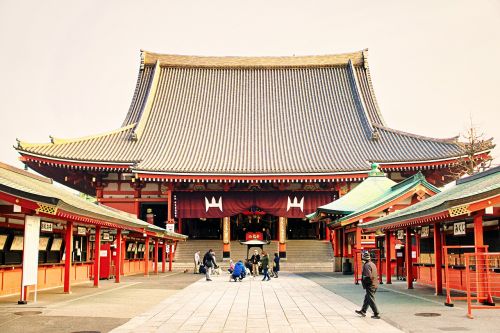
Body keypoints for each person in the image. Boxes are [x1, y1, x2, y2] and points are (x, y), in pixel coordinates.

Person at [355, 252, 380, 319]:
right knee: (367, 298)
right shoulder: (372, 264)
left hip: (370, 285)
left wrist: (365, 283)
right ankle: (363, 311)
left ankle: (376, 313)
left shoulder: (366, 265)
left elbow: (368, 276)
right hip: (375, 283)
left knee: (371, 299)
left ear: (364, 259)